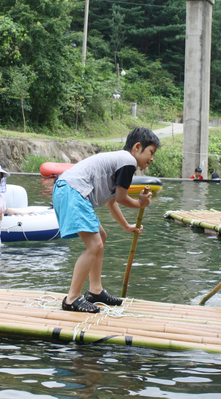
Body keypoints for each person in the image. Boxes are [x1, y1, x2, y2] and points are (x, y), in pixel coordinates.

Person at [53, 127, 160, 313]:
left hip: (68, 189)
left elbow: (112, 201)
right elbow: (121, 198)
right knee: (94, 245)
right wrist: (140, 203)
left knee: (100, 238)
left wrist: (126, 226)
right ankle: (72, 299)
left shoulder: (120, 161)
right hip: (72, 191)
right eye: (151, 152)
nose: (151, 158)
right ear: (137, 147)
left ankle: (95, 291)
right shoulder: (128, 162)